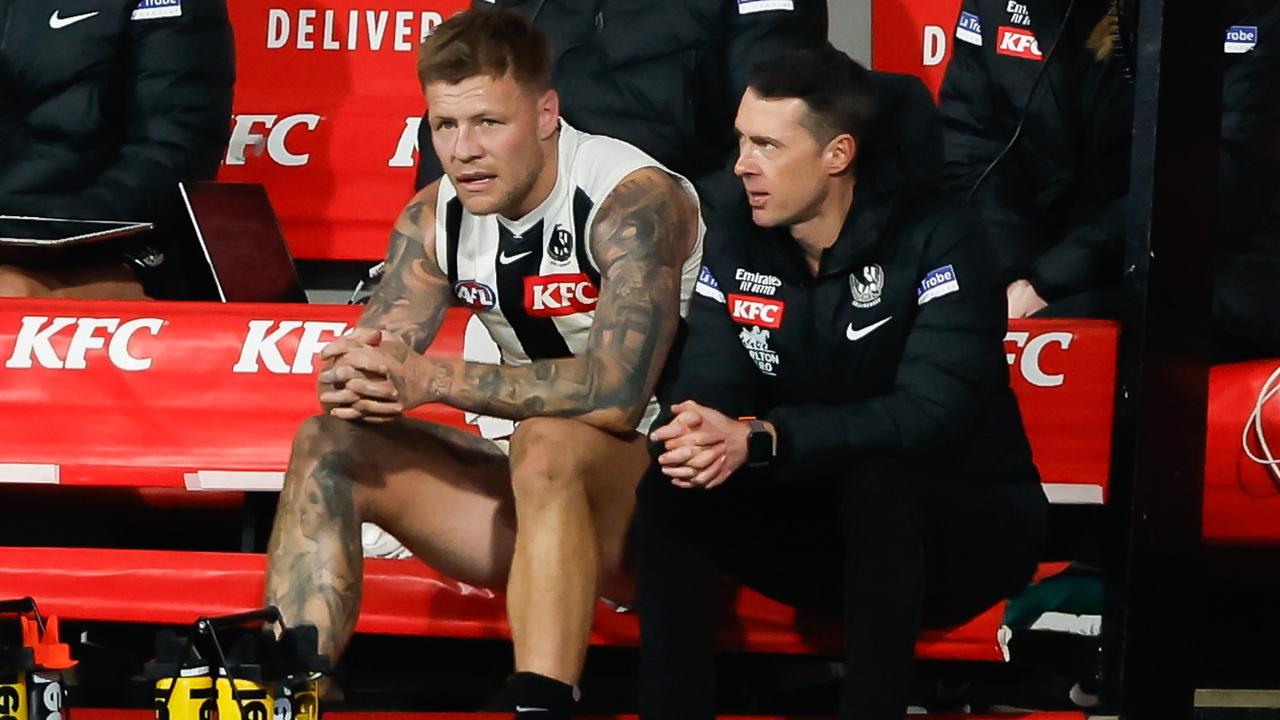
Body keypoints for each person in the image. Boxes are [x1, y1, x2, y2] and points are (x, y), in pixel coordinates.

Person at [264, 10, 702, 719]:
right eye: (444, 127)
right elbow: (380, 349)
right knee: (328, 443)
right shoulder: (434, 216)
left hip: (669, 507)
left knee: (551, 438)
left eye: (488, 124)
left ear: (546, 113)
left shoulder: (632, 197)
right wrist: (355, 376)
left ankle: (541, 702)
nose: (462, 151)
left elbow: (620, 396)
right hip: (540, 505)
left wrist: (433, 380)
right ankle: (288, 691)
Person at [633, 45, 1048, 720]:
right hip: (815, 517)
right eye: (740, 140)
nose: (742, 164)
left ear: (837, 153)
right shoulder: (732, 228)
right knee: (672, 487)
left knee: (876, 483)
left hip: (965, 528)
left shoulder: (941, 236)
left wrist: (769, 438)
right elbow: (713, 367)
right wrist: (694, 428)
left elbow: (930, 414)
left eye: (767, 144)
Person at [939, 0, 1280, 358]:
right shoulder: (998, 8)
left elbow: (1226, 176)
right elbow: (971, 150)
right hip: (1033, 272)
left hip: (1204, 270)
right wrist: (1013, 278)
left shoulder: (1245, 10)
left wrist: (1051, 279)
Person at [415, 0, 828, 215]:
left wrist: (682, 225)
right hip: (526, 227)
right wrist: (444, 232)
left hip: (680, 232)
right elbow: (465, 94)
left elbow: (781, 131)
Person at [0, 0, 234, 300]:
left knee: (9, 293)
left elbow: (174, 155)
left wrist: (41, 227)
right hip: (17, 240)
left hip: (123, 250)